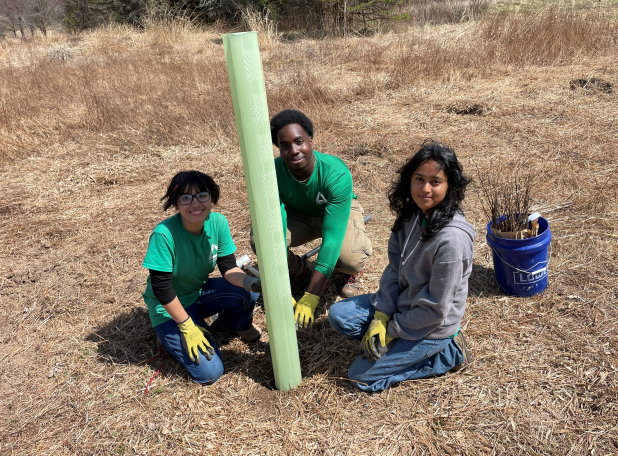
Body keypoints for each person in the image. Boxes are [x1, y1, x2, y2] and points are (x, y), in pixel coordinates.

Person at [328, 141, 475, 392]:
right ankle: (400, 345)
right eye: (419, 179)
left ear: (449, 186)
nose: (425, 189)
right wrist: (382, 314)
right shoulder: (412, 215)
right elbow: (394, 268)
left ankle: (447, 354)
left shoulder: (452, 240)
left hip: (430, 326)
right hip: (402, 304)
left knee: (360, 377)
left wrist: (392, 330)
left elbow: (436, 309)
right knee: (338, 315)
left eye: (435, 182)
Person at [250, 109, 372, 328]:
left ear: (311, 141)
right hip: (300, 214)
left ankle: (348, 273)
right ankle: (300, 271)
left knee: (350, 259)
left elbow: (332, 239)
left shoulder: (335, 173)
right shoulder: (272, 174)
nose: (294, 150)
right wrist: (280, 286)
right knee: (260, 239)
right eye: (285, 145)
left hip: (336, 213)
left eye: (299, 142)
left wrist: (311, 296)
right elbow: (276, 229)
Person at [142, 171, 263, 385]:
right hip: (168, 309)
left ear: (211, 197)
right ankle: (168, 335)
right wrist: (187, 326)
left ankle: (237, 326)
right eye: (186, 198)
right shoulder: (164, 234)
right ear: (176, 203)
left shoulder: (217, 222)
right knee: (210, 372)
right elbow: (162, 289)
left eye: (202, 195)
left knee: (245, 293)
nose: (196, 203)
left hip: (198, 293)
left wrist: (250, 283)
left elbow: (228, 267)